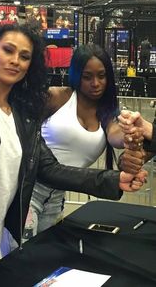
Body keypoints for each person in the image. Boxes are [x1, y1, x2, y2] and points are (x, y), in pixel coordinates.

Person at [0, 25, 146, 286]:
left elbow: (48, 168)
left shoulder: (21, 113)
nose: (15, 60)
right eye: (8, 50)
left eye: (25, 56)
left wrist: (114, 180)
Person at [22, 43, 145, 239]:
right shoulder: (56, 97)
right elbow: (21, 127)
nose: (95, 83)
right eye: (87, 77)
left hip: (57, 198)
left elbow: (116, 135)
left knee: (42, 257)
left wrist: (131, 136)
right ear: (76, 75)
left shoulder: (108, 114)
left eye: (102, 76)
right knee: (19, 258)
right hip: (27, 190)